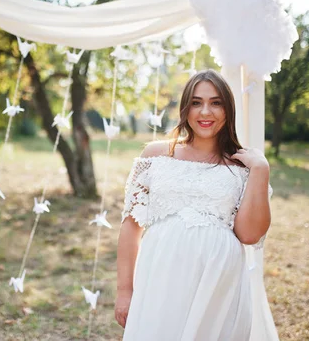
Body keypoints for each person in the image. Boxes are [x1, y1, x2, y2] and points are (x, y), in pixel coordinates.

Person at [115, 69, 278, 340]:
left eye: (216, 103)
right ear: (185, 108)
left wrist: (261, 168)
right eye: (196, 102)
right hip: (161, 278)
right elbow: (130, 227)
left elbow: (250, 235)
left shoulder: (244, 166)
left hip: (217, 286)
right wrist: (124, 291)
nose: (205, 112)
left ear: (228, 110)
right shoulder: (155, 154)